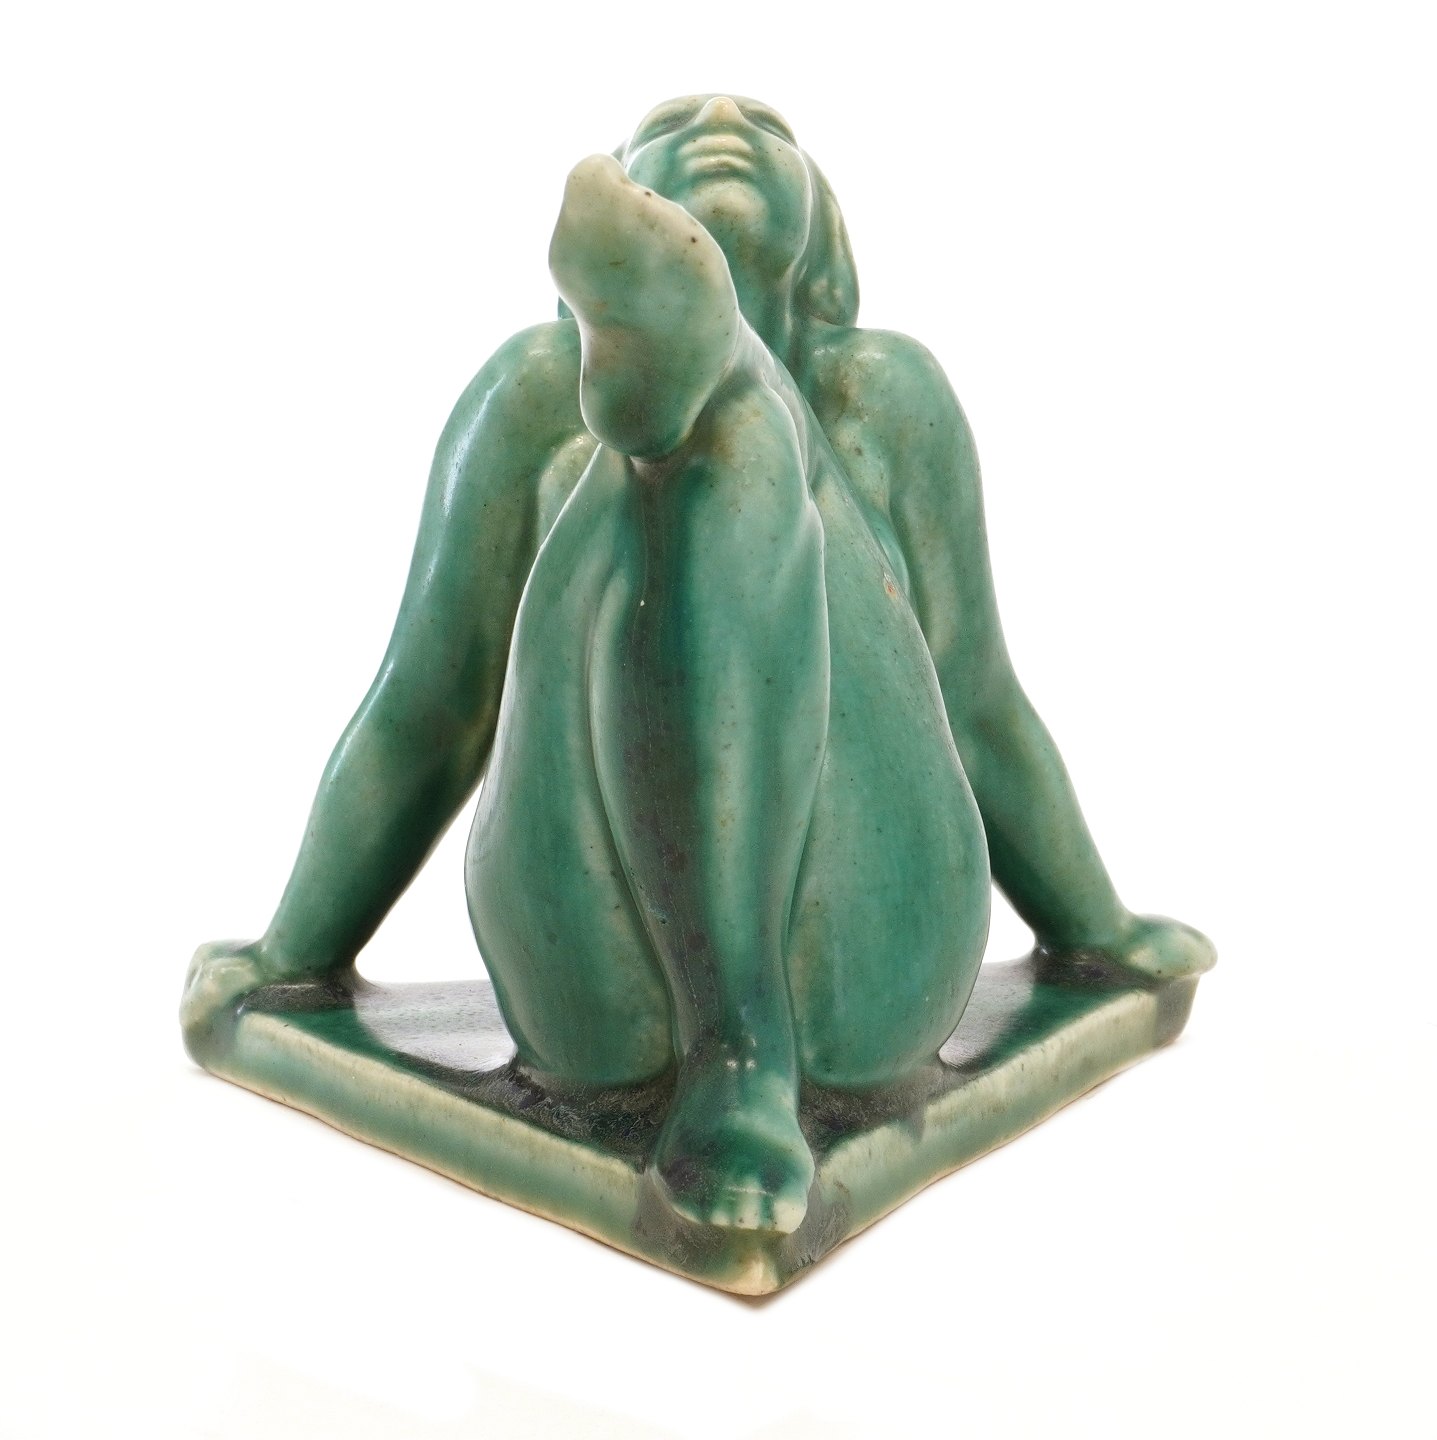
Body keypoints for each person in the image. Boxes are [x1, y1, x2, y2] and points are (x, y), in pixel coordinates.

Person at [183, 95, 1214, 1236]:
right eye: (675, 122)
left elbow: (976, 703)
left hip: (864, 979)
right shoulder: (530, 397)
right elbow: (428, 708)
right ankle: (686, 384)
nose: (722, 114)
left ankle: (745, 1052)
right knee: (695, 449)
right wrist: (290, 957)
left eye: (767, 128)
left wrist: (1098, 932)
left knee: (744, 441)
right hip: (592, 988)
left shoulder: (890, 395)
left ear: (826, 239)